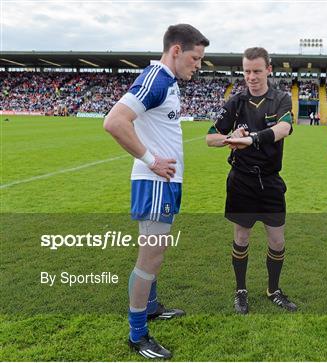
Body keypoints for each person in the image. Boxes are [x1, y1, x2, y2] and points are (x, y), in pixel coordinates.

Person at [104, 24, 209, 359]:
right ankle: (138, 335)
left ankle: (149, 308)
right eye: (195, 57)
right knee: (150, 258)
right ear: (176, 50)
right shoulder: (157, 78)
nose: (198, 65)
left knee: (157, 255)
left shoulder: (170, 82)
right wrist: (150, 160)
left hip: (165, 184)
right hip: (154, 185)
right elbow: (115, 121)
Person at [206, 47, 296, 315]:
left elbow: (284, 128)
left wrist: (251, 139)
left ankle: (273, 289)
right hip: (241, 182)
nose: (252, 77)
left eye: (257, 71)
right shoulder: (236, 101)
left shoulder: (280, 99)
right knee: (241, 237)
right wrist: (230, 137)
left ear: (269, 69)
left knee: (277, 241)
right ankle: (241, 291)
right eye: (246, 71)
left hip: (270, 182)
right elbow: (210, 138)